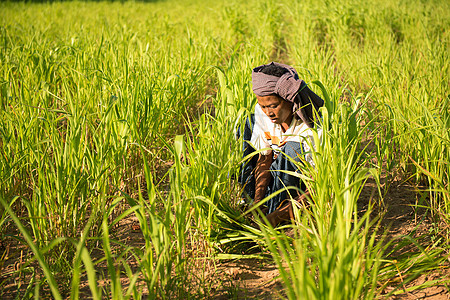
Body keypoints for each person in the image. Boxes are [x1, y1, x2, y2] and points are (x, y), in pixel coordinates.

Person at [238, 62, 324, 227]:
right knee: (247, 124)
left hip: (298, 192)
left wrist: (276, 217)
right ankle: (249, 204)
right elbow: (265, 157)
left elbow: (316, 187)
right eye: (263, 106)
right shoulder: (262, 113)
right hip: (274, 177)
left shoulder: (311, 128)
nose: (268, 113)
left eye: (273, 106)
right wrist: (258, 201)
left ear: (291, 101)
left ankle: (281, 214)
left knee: (293, 148)